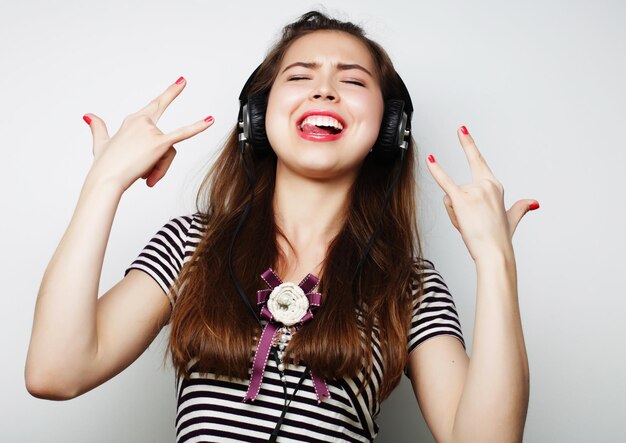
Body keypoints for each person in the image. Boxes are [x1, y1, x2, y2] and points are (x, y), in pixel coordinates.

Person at [25, 10, 534, 443]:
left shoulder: (410, 287)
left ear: (390, 129)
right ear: (257, 115)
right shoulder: (191, 246)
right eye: (299, 76)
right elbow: (55, 372)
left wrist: (495, 261)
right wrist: (105, 183)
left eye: (353, 80)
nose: (325, 90)